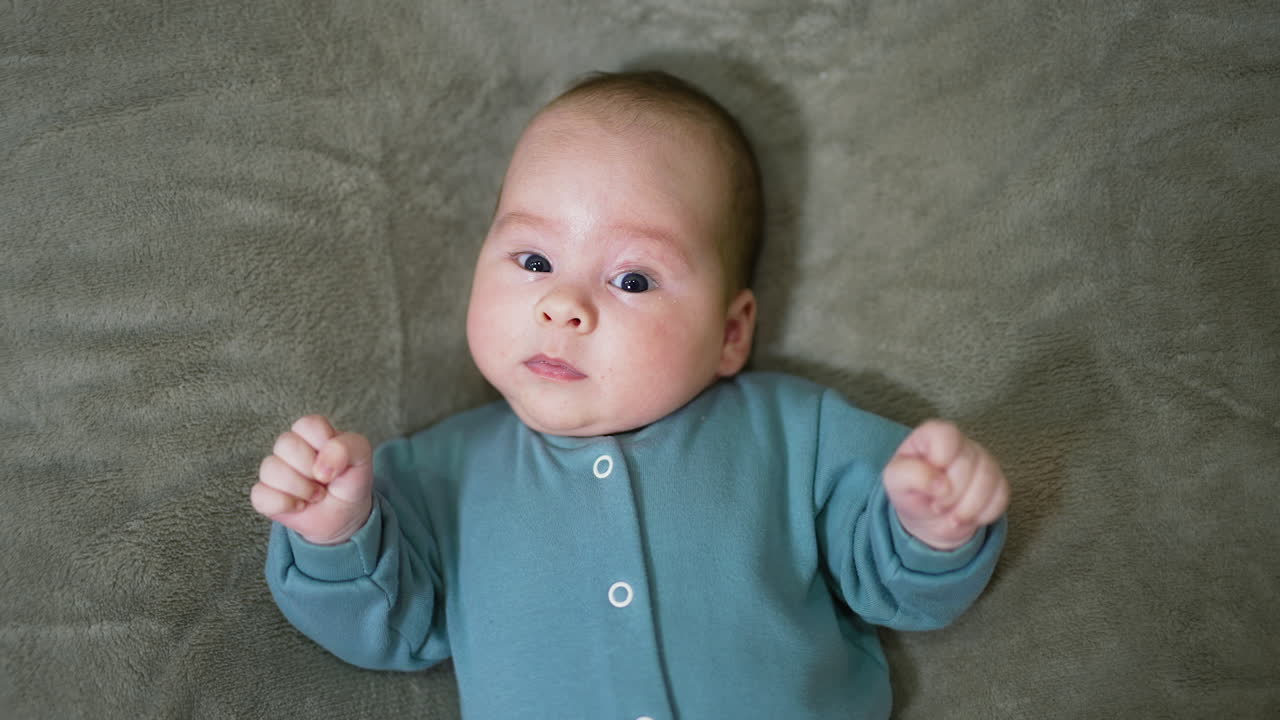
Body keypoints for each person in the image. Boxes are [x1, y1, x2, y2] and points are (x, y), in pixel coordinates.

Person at [252, 70, 1010, 719]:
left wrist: (929, 526)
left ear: (731, 333)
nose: (563, 305)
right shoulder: (434, 475)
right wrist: (338, 534)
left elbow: (900, 592)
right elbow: (389, 630)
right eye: (533, 258)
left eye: (633, 279)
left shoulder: (795, 432)